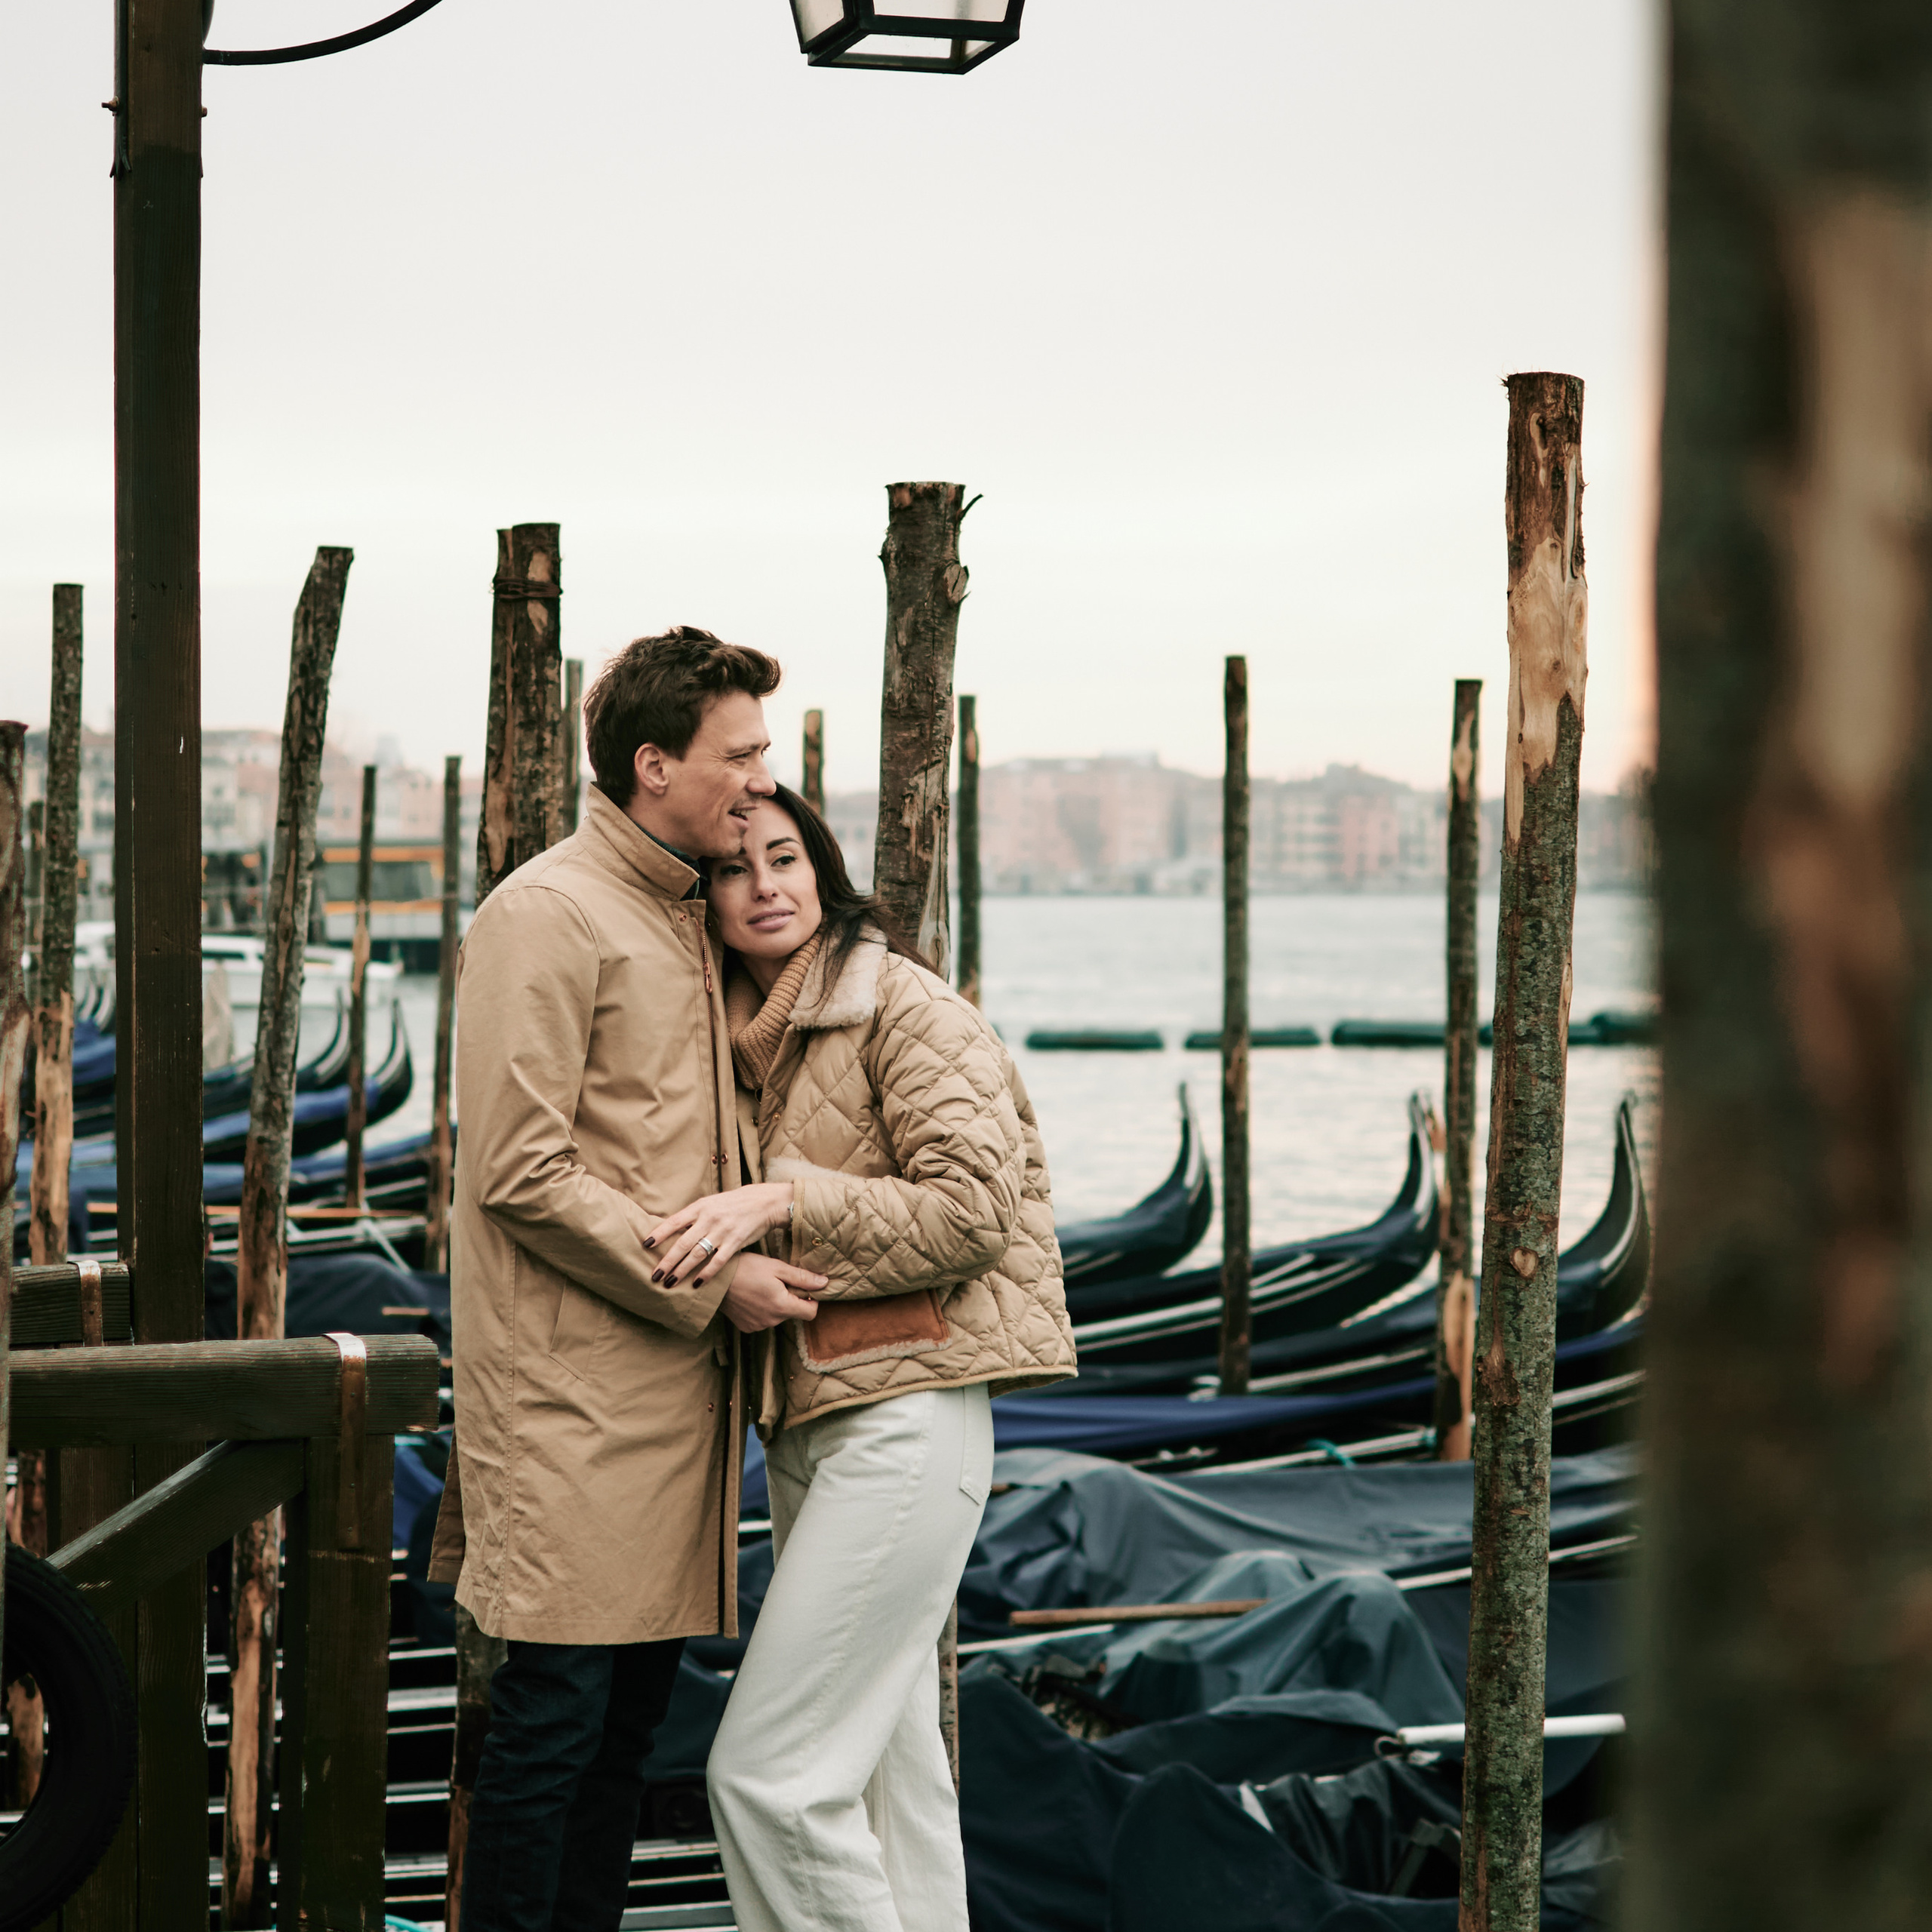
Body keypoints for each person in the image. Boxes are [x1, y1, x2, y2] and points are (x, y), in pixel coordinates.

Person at [438, 629, 829, 1932]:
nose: (762, 779)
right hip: (571, 1411)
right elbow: (518, 1171)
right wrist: (719, 1284)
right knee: (549, 1746)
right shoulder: (544, 917)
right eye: (742, 754)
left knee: (620, 1746)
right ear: (655, 766)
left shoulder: (685, 908)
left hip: (668, 1412)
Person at [644, 784, 1079, 1932]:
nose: (765, 884)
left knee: (770, 1781)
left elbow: (973, 1215)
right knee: (894, 1785)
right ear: (707, 902)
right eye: (735, 870)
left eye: (786, 858)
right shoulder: (744, 1044)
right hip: (818, 1427)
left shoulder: (906, 1005)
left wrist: (777, 1205)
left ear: (825, 877)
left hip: (909, 1422)